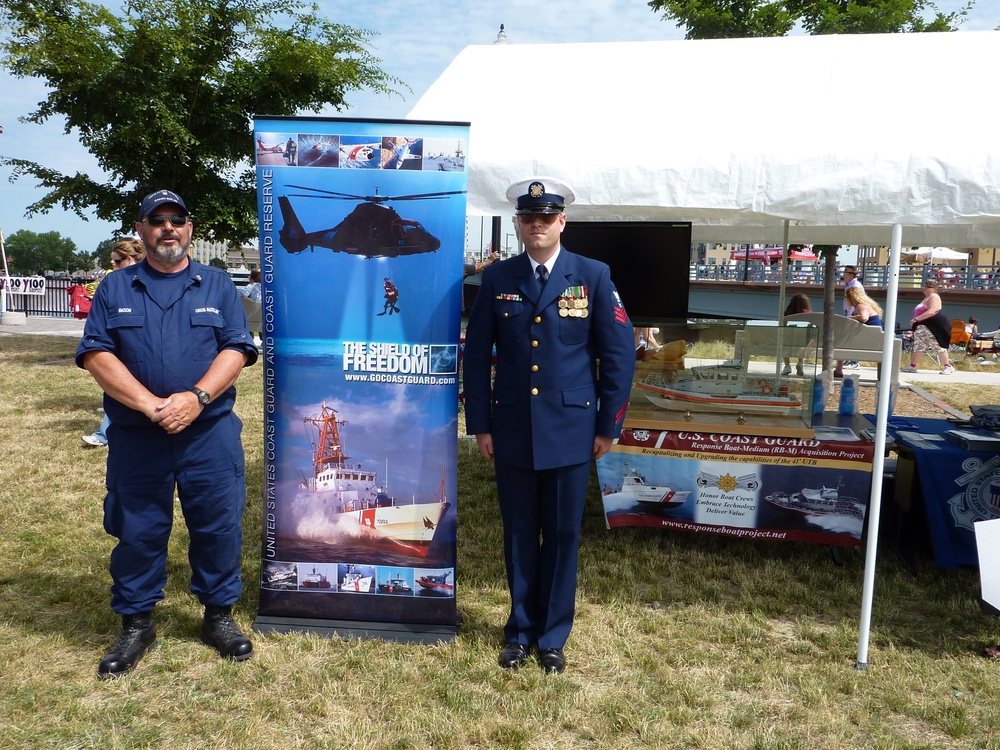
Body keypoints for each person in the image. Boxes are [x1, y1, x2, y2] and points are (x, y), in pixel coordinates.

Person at [76, 189, 259, 679]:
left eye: (177, 219)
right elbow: (97, 354)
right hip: (139, 435)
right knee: (137, 530)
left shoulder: (218, 285)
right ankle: (137, 624)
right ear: (141, 229)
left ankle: (218, 616)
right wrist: (153, 406)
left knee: (218, 526)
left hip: (209, 433)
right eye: (156, 220)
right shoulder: (115, 288)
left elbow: (237, 349)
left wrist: (195, 398)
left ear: (190, 229)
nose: (167, 228)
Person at [463, 177, 635, 675]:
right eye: (528, 218)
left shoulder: (594, 275)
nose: (537, 225)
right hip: (512, 425)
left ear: (562, 222)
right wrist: (480, 424)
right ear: (518, 224)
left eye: (546, 218)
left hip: (572, 429)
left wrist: (608, 425)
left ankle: (553, 636)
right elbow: (477, 358)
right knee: (518, 534)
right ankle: (519, 631)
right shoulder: (498, 278)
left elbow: (618, 355)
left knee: (561, 536)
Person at [81, 238, 147, 448]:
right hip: (119, 346)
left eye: (117, 261)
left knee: (122, 388)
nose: (113, 265)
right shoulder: (113, 284)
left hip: (134, 349)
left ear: (129, 259)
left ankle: (103, 434)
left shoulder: (138, 284)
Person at [901, 280, 953, 374]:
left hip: (933, 326)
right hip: (922, 327)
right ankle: (913, 366)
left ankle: (948, 366)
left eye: (926, 287)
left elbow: (931, 311)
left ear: (931, 288)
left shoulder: (934, 297)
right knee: (919, 346)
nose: (924, 289)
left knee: (937, 345)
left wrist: (916, 319)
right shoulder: (926, 298)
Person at [835, 266, 864, 376]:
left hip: (853, 314)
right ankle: (848, 361)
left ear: (851, 275)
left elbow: (855, 302)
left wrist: (850, 315)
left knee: (847, 338)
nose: (843, 275)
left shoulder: (854, 286)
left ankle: (854, 361)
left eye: (845, 273)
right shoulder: (849, 285)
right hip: (850, 312)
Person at [782, 293, 811, 376]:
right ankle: (800, 362)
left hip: (788, 341)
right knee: (802, 342)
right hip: (803, 341)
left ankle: (787, 366)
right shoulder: (808, 314)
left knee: (785, 343)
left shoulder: (787, 313)